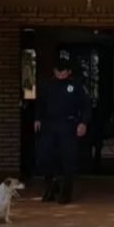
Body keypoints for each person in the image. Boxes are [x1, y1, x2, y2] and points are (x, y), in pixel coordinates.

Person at [34, 58, 91, 204]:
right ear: (54, 71)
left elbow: (86, 105)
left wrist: (83, 122)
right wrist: (38, 118)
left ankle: (66, 192)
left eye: (63, 73)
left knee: (68, 159)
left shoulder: (76, 85)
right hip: (49, 124)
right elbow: (40, 103)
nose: (60, 76)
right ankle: (51, 186)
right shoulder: (47, 85)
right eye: (58, 73)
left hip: (68, 124)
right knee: (44, 157)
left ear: (69, 72)